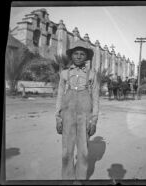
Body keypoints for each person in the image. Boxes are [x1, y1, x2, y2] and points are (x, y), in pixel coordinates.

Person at [55, 40, 100, 180]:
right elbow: (60, 96)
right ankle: (67, 178)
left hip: (85, 115)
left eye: (82, 54)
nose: (79, 56)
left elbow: (96, 98)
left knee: (83, 151)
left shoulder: (92, 74)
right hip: (67, 114)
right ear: (71, 56)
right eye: (76, 53)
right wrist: (58, 117)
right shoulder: (64, 74)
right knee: (66, 151)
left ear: (86, 57)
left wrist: (94, 121)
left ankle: (80, 179)